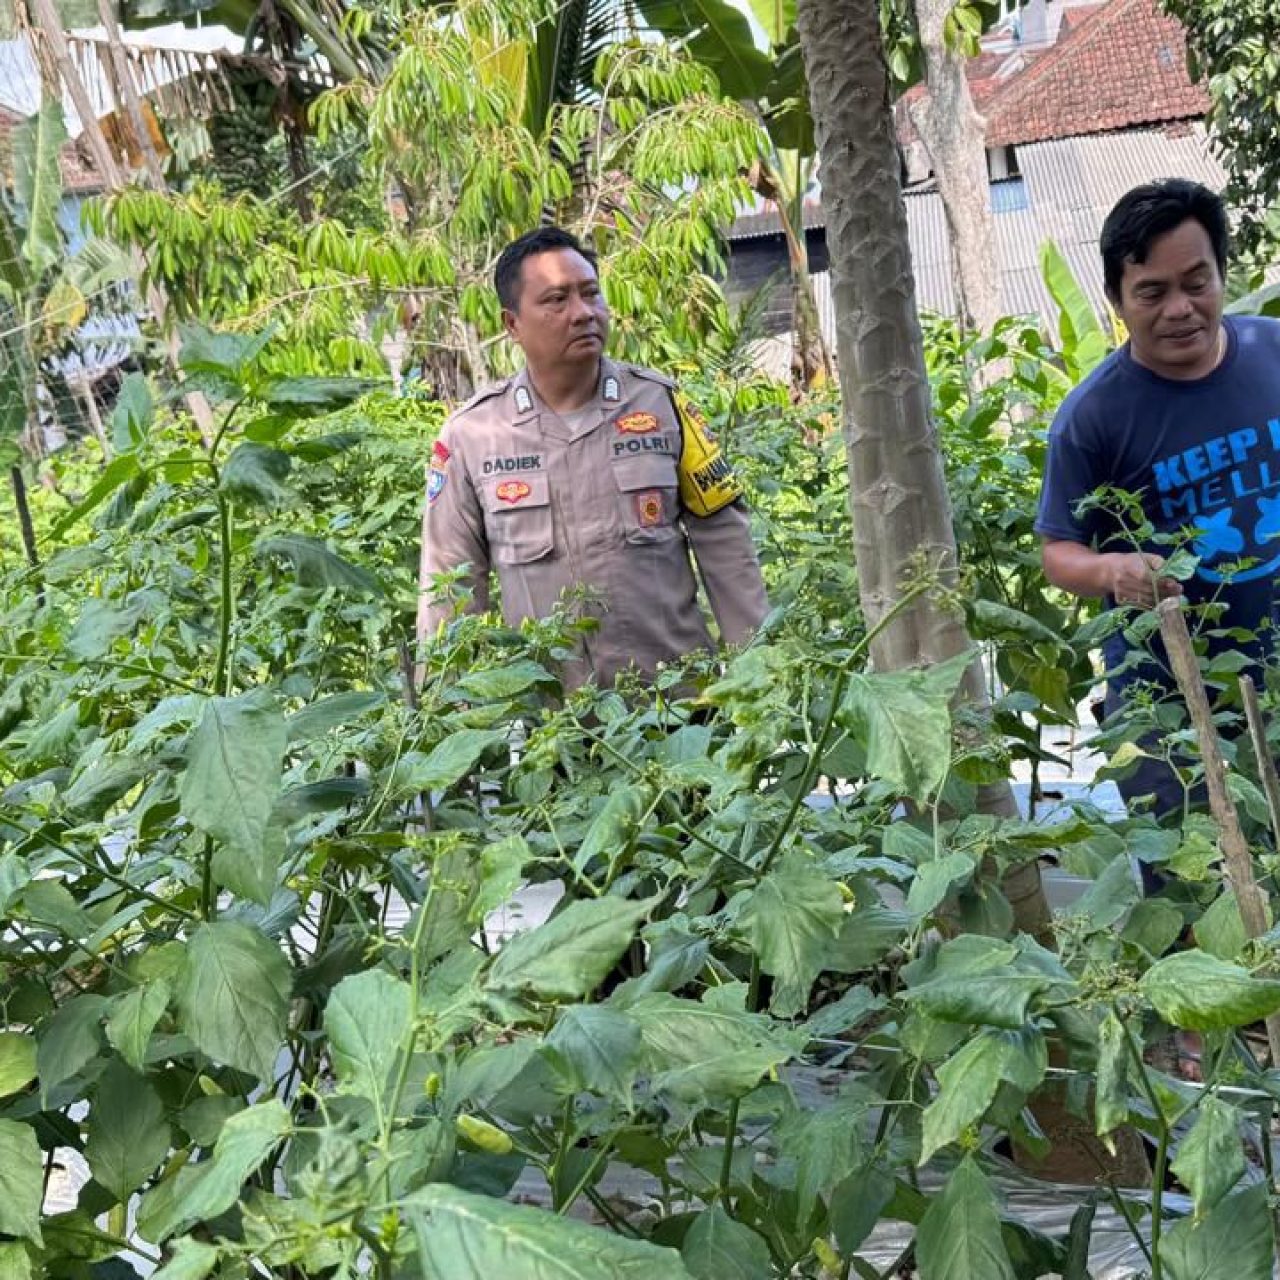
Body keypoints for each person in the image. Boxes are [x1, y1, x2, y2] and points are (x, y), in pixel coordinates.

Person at [418, 226, 769, 688]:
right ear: (512, 324)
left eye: (591, 294)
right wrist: (445, 721)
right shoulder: (473, 436)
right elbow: (449, 581)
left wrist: (760, 674)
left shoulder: (661, 407)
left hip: (679, 706)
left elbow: (726, 544)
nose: (583, 313)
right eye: (557, 300)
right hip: (554, 727)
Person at [1036, 179, 1280, 818]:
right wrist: (1113, 570)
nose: (1180, 308)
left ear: (1223, 275)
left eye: (1197, 283)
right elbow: (1058, 552)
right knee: (1190, 879)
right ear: (1117, 300)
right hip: (1164, 696)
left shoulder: (1273, 353)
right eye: (1153, 291)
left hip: (1275, 664)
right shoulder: (1092, 417)